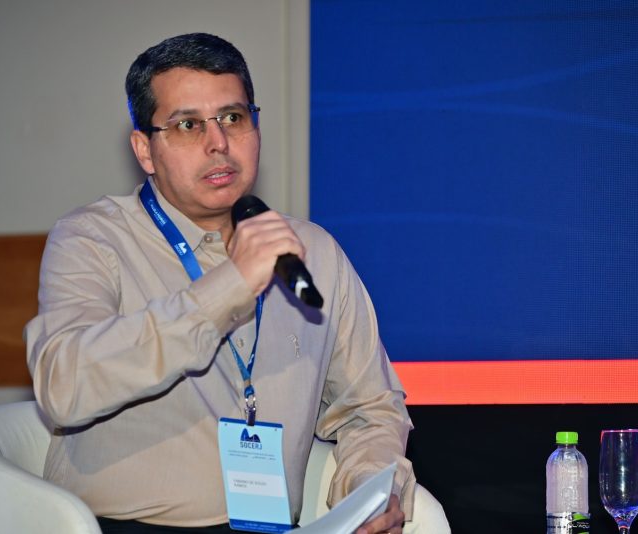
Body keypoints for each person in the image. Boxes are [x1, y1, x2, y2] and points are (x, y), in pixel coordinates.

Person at [25, 33, 418, 534]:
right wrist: (231, 285)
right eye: (188, 125)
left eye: (232, 118)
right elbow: (65, 385)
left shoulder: (312, 251)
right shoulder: (92, 239)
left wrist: (367, 491)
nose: (218, 143)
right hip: (121, 525)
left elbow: (370, 407)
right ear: (145, 150)